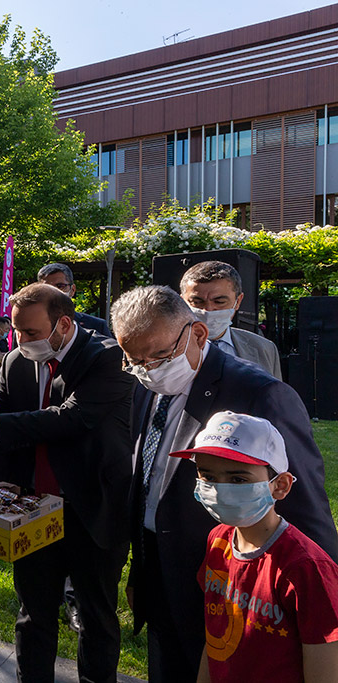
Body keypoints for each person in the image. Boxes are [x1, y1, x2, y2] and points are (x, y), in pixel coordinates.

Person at [110, 285, 338, 683]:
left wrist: (319, 610)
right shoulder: (146, 386)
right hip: (161, 575)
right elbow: (149, 481)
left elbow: (306, 509)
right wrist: (141, 573)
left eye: (160, 356)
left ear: (197, 334)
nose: (148, 370)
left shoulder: (260, 394)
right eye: (134, 360)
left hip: (235, 589)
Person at [0, 282, 134, 683]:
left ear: (64, 324)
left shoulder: (108, 358)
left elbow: (71, 418)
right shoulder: (15, 362)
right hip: (33, 509)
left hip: (92, 509)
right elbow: (5, 430)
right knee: (33, 615)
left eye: (31, 332)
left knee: (96, 616)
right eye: (16, 331)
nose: (20, 340)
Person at [165, 411, 338, 683]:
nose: (219, 489)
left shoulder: (305, 568)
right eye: (207, 476)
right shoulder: (218, 541)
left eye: (237, 480)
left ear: (280, 485)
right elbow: (215, 639)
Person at [180, 260, 282, 380]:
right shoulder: (162, 347)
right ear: (181, 302)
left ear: (238, 301)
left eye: (219, 302)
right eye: (196, 302)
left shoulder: (264, 348)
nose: (208, 309)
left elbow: (276, 396)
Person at [37, 263, 111, 336]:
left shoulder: (97, 326)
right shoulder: (30, 324)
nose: (54, 291)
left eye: (60, 286)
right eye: (47, 287)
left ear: (72, 290)